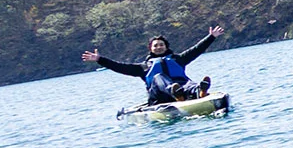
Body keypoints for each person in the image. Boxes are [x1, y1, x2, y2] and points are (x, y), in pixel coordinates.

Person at [83, 26, 225, 104]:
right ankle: (175, 92)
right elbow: (119, 67)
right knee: (158, 77)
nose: (158, 47)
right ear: (150, 49)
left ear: (166, 47)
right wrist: (100, 59)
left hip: (183, 89)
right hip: (160, 97)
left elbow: (197, 49)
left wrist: (211, 37)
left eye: (161, 45)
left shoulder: (178, 59)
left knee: (187, 83)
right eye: (155, 45)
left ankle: (199, 90)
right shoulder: (143, 67)